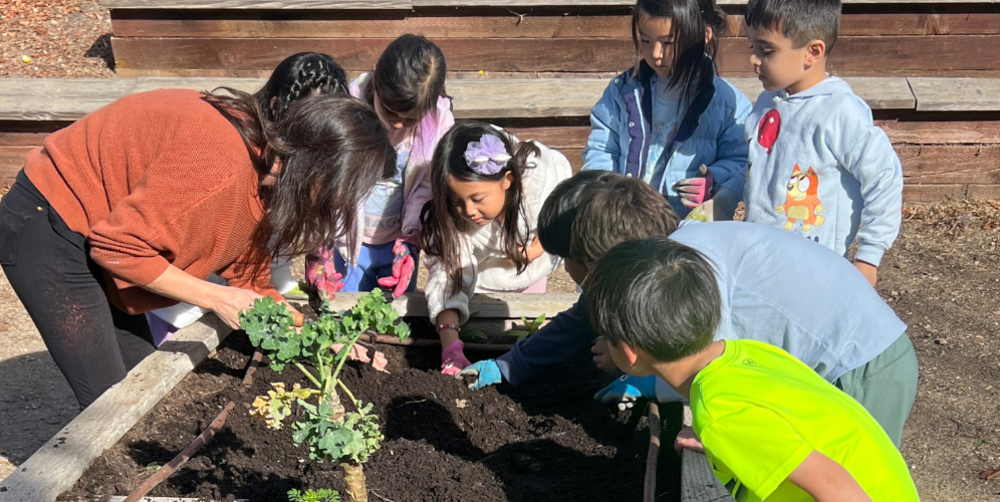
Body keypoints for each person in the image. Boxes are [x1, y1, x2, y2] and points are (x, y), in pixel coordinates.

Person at [0, 88, 395, 408]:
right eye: (344, 187)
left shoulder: (269, 177)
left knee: (142, 380)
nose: (341, 201)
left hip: (101, 230)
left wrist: (319, 336)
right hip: (49, 223)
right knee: (112, 404)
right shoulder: (223, 163)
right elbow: (118, 249)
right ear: (320, 168)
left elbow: (254, 286)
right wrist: (216, 297)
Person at [461, 174, 917, 447]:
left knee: (842, 475)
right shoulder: (662, 261)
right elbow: (581, 319)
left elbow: (706, 367)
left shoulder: (690, 272)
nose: (571, 275)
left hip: (857, 366)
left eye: (571, 264)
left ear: (599, 261)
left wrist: (643, 379)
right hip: (836, 358)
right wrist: (509, 365)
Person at [586, 237, 920, 501]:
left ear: (629, 352)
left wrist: (720, 429)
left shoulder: (722, 413)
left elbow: (839, 491)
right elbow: (779, 417)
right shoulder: (744, 353)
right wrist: (723, 439)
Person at [146, 52, 351, 345]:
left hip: (234, 296)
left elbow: (251, 270)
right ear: (277, 107)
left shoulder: (288, 168)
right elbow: (136, 250)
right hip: (170, 300)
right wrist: (215, 296)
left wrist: (300, 321)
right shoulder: (226, 159)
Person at [743, 0, 903, 287]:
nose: (754, 59)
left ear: (812, 52)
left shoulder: (839, 112)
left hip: (816, 273)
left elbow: (884, 177)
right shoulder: (767, 103)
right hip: (761, 262)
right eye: (752, 47)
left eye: (766, 51)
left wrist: (868, 256)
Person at [305, 34, 455, 299]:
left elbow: (427, 187)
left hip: (398, 244)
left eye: (409, 120)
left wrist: (411, 238)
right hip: (347, 241)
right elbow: (324, 181)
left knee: (392, 318)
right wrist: (320, 246)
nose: (397, 125)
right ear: (376, 78)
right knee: (343, 311)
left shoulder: (438, 125)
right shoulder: (348, 108)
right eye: (389, 111)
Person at [422, 122, 572, 375]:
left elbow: (566, 206)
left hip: (529, 272)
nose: (468, 210)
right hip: (483, 280)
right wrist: (451, 348)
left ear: (507, 180)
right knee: (488, 334)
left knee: (524, 335)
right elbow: (449, 277)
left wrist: (537, 247)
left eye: (477, 199)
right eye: (456, 200)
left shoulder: (539, 185)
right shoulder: (455, 222)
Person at [582, 0, 751, 221]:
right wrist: (605, 194)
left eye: (668, 42)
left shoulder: (728, 102)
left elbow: (739, 161)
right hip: (626, 220)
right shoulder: (622, 92)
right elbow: (601, 149)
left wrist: (714, 181)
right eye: (645, 40)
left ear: (703, 34)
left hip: (689, 226)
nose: (656, 53)